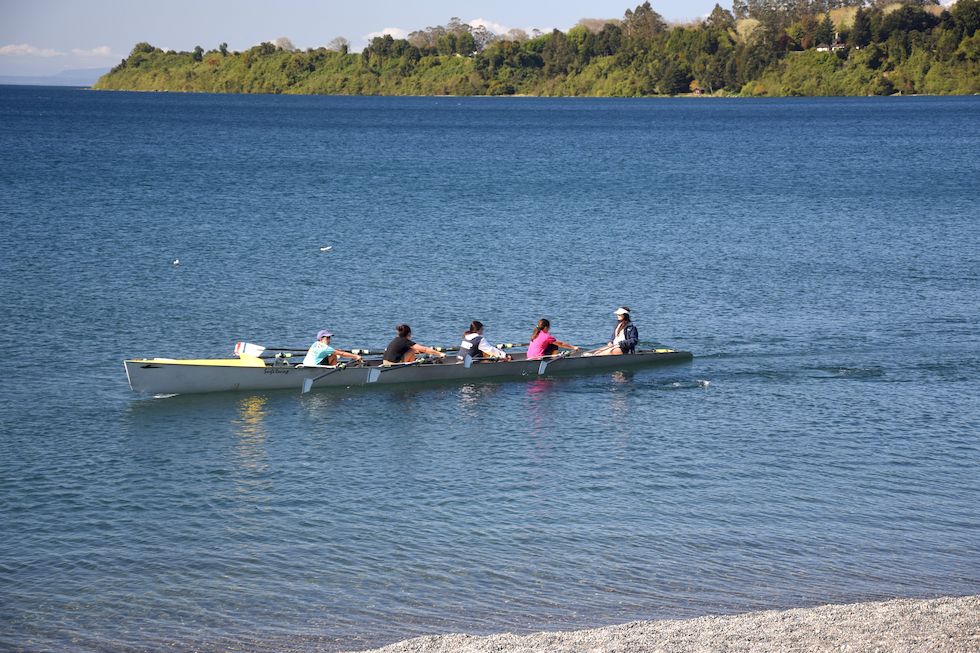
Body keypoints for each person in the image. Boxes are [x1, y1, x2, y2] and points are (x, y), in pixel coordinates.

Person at [383, 324, 447, 364]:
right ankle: (412, 368)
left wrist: (422, 351)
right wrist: (440, 353)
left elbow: (419, 350)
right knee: (412, 351)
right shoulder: (406, 341)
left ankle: (411, 364)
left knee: (412, 350)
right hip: (393, 365)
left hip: (385, 363)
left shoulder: (395, 340)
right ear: (409, 334)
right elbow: (424, 349)